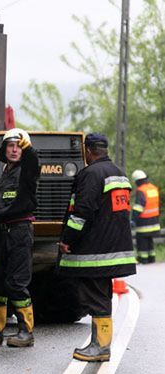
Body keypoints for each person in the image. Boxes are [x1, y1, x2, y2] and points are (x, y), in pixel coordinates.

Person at [58, 133, 136, 362]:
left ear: (88, 151)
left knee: (95, 296)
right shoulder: (119, 173)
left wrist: (67, 239)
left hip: (95, 250)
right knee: (101, 294)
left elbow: (81, 213)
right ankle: (99, 344)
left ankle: (101, 347)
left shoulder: (91, 174)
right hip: (115, 246)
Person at [0, 128, 39, 347]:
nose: (14, 150)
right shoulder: (6, 171)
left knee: (16, 283)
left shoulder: (27, 169)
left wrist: (29, 148)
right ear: (4, 149)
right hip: (1, 231)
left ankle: (26, 332)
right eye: (10, 145)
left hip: (19, 231)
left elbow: (33, 163)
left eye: (19, 146)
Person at [131, 169, 160, 264]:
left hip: (143, 223)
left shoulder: (141, 190)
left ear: (138, 181)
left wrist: (133, 219)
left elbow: (139, 207)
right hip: (154, 222)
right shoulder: (153, 188)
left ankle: (143, 259)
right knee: (150, 241)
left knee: (142, 242)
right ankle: (152, 258)